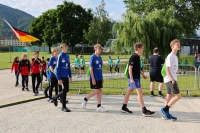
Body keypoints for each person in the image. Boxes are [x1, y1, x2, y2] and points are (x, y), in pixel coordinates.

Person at [121, 42, 155, 116]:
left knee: (129, 91)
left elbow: (137, 68)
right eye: (142, 48)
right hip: (134, 78)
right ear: (139, 48)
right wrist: (132, 79)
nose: (143, 49)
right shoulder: (134, 56)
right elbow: (130, 68)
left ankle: (124, 107)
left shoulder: (137, 57)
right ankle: (144, 110)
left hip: (135, 77)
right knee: (140, 92)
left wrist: (142, 74)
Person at [160, 39, 181, 121]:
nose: (179, 45)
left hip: (170, 78)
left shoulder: (175, 56)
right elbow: (167, 69)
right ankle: (165, 109)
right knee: (178, 96)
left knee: (169, 96)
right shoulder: (170, 56)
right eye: (177, 44)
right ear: (172, 46)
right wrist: (172, 79)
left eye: (179, 44)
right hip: (170, 79)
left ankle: (166, 115)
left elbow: (173, 68)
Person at [81, 44, 107, 112]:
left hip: (99, 77)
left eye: (101, 49)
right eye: (99, 49)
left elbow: (100, 68)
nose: (100, 50)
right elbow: (91, 69)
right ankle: (85, 99)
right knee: (96, 90)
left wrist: (102, 77)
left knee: (100, 90)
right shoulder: (93, 57)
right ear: (95, 49)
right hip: (94, 77)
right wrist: (93, 78)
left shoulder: (100, 58)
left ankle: (99, 106)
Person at [52, 43, 72, 112]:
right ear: (61, 48)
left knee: (66, 90)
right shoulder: (60, 56)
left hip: (66, 76)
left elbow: (68, 67)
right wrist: (59, 78)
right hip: (62, 76)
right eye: (65, 46)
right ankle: (63, 107)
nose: (66, 47)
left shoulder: (67, 56)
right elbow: (57, 68)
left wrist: (70, 76)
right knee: (64, 91)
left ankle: (55, 97)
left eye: (67, 46)